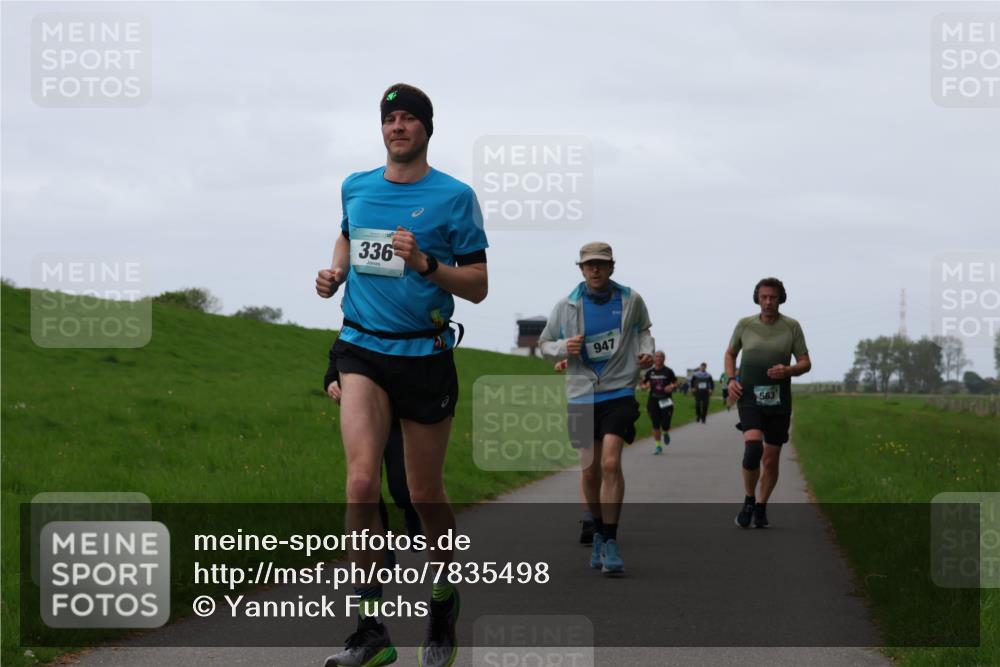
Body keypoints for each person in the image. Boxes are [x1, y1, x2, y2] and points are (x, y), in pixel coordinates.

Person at [315, 83, 488, 667]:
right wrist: (336, 272)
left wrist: (425, 264)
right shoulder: (357, 186)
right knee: (361, 485)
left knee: (423, 492)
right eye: (390, 120)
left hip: (426, 355)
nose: (398, 128)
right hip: (361, 348)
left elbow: (480, 286)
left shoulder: (455, 197)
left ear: (427, 130)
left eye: (410, 119)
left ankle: (441, 602)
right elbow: (347, 231)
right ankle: (371, 630)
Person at [539, 242, 654, 575]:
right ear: (581, 268)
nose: (595, 270)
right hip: (581, 393)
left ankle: (611, 540)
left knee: (610, 462)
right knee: (589, 471)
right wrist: (564, 346)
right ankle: (600, 534)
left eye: (601, 264)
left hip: (618, 390)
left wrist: (646, 353)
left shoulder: (631, 300)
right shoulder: (566, 306)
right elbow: (545, 345)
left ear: (612, 267)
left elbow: (643, 331)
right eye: (589, 265)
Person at [324, 343, 423, 563]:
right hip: (366, 415)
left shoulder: (406, 320)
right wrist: (331, 380)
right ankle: (382, 546)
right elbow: (340, 351)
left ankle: (411, 511)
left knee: (402, 483)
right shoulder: (360, 316)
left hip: (400, 414)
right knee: (366, 484)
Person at [724, 277, 810, 530]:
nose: (768, 302)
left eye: (773, 297)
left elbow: (806, 362)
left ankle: (762, 506)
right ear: (757, 298)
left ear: (780, 298)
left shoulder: (792, 327)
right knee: (753, 450)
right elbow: (730, 353)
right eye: (764, 297)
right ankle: (749, 499)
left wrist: (788, 370)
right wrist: (731, 379)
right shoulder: (745, 325)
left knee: (771, 459)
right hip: (749, 397)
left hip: (778, 401)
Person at [638, 351, 678, 454]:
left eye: (661, 357)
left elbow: (676, 382)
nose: (658, 358)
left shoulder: (668, 371)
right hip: (653, 400)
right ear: (654, 359)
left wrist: (672, 386)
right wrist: (643, 387)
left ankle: (665, 431)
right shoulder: (650, 372)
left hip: (666, 400)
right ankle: (658, 446)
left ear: (664, 359)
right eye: (656, 356)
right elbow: (642, 383)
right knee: (655, 424)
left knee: (665, 423)